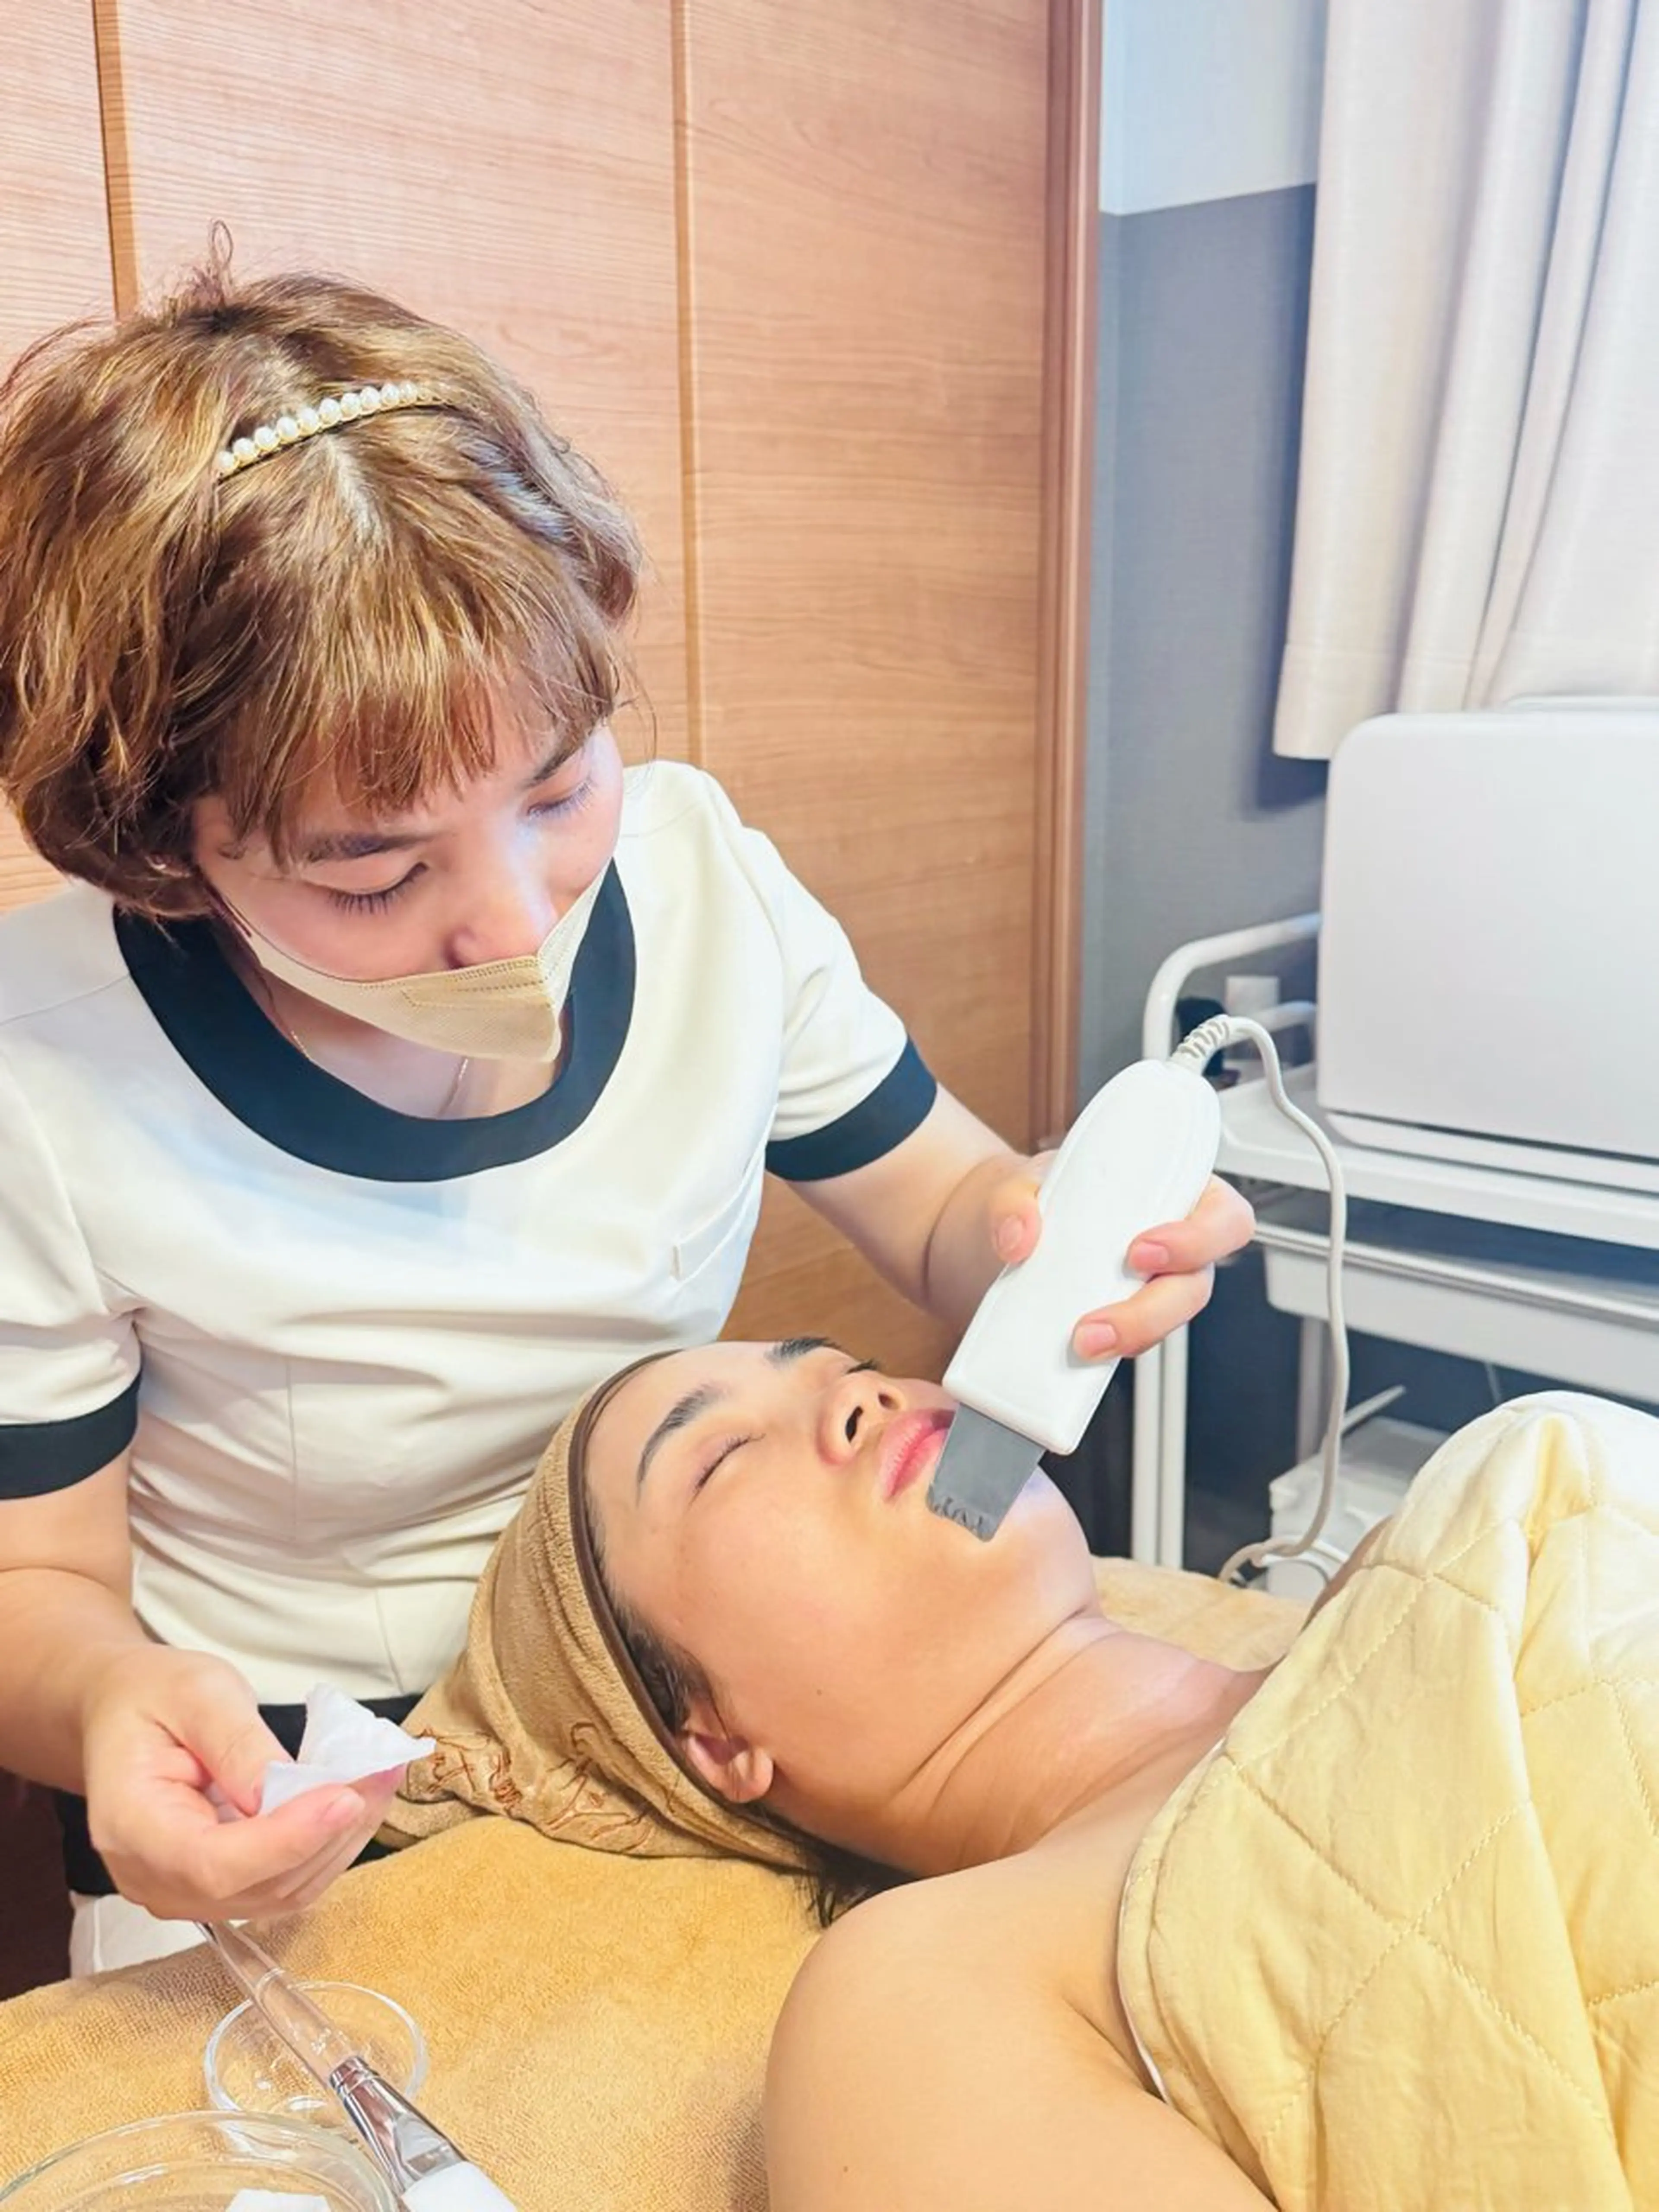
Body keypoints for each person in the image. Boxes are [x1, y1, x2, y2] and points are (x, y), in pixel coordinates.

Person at [0, 266, 1253, 1973]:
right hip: (297, 1788)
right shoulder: (49, 1070)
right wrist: (106, 1698)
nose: (517, 921)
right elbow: (35, 1586)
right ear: (163, 846)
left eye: (560, 787)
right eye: (374, 873)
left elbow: (955, 1209)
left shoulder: (700, 876)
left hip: (697, 1718)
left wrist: (1074, 1245)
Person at [394, 1339, 1659, 2211]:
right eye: (720, 1458)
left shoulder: (1402, 1576)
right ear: (715, 1743)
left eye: (841, 1365)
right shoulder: (922, 2002)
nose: (860, 1396)